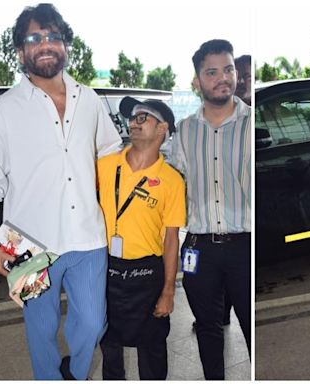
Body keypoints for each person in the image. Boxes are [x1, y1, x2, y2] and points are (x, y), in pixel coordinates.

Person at [0, 4, 122, 380]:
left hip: (88, 236)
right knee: (40, 331)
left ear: (66, 46)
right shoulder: (4, 110)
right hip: (27, 245)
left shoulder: (90, 100)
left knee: (92, 324)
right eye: (34, 38)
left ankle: (75, 375)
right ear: (20, 51)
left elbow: (110, 159)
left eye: (53, 36)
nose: (45, 44)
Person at [166, 39, 251, 380]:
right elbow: (173, 186)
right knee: (207, 328)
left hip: (245, 245)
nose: (222, 78)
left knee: (249, 325)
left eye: (228, 69)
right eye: (212, 71)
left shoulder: (251, 123)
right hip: (199, 247)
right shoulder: (185, 131)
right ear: (198, 80)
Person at [97, 97, 186, 380]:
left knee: (153, 348)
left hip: (147, 275)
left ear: (163, 129)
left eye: (143, 117)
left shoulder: (172, 180)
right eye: (132, 118)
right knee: (109, 345)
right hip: (106, 269)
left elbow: (171, 239)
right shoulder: (104, 166)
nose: (133, 122)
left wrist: (168, 291)